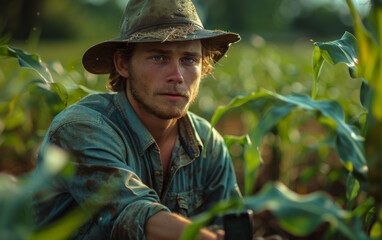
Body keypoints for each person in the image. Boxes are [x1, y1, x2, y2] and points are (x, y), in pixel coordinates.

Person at [33, 0, 242, 239]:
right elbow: (134, 215)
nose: (177, 76)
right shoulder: (81, 129)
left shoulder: (208, 144)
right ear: (123, 64)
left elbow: (232, 224)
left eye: (189, 60)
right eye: (158, 58)